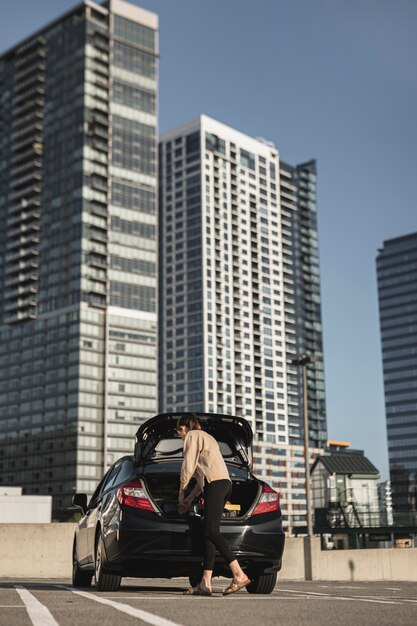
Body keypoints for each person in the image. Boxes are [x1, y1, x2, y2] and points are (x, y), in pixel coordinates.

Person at [176, 413, 250, 596]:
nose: (179, 435)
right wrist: (190, 498)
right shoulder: (208, 438)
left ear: (184, 428)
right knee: (209, 533)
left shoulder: (192, 436)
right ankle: (205, 583)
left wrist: (181, 492)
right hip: (223, 484)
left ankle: (238, 574)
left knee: (211, 531)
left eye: (178, 430)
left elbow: (188, 466)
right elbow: (202, 478)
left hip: (215, 485)